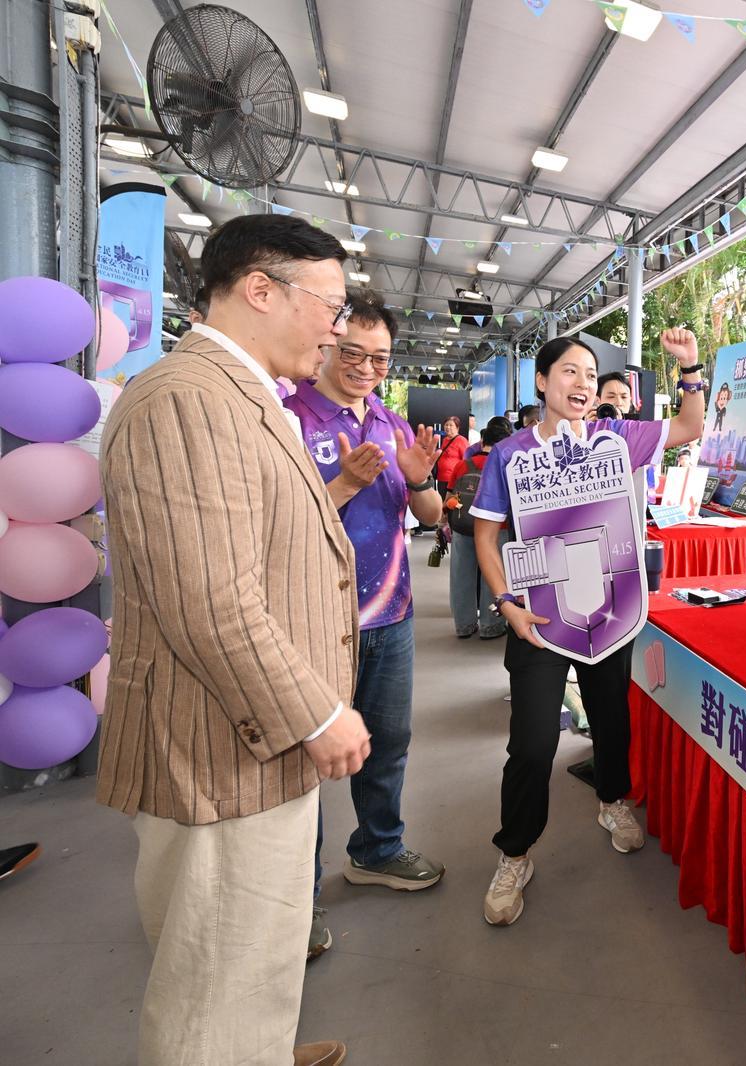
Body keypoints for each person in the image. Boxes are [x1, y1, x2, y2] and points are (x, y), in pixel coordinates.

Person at [98, 213, 367, 1066]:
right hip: (218, 749)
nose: (336, 326)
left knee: (253, 950)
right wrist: (318, 712)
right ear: (260, 289)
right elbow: (210, 601)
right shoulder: (187, 399)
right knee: (213, 974)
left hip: (248, 741)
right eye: (328, 303)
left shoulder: (241, 395)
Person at [470, 330, 706, 926]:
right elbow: (484, 534)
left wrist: (691, 369)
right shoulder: (511, 454)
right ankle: (515, 852)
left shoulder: (617, 438)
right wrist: (506, 603)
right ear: (543, 383)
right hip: (540, 620)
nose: (580, 383)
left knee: (612, 722)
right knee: (531, 744)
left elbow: (689, 428)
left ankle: (611, 801)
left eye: (588, 373)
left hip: (607, 613)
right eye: (568, 372)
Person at [283, 289, 448, 959]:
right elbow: (280, 528)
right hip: (315, 623)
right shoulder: (289, 416)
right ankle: (298, 899)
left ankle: (376, 849)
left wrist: (417, 480)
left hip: (393, 614)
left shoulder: (389, 419)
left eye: (379, 357)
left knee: (390, 741)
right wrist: (346, 483)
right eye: (352, 352)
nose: (365, 367)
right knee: (306, 761)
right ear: (326, 343)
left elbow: (434, 519)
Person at [448, 416, 515, 638]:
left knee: (461, 576)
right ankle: (491, 625)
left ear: (483, 439)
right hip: (498, 528)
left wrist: (443, 524)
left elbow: (449, 498)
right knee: (493, 575)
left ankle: (464, 625)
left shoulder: (462, 465)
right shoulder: (507, 466)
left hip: (463, 526)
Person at [435, 415, 469, 490]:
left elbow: (466, 461)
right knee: (442, 500)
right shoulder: (445, 440)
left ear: (457, 427)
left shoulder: (462, 440)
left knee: (451, 501)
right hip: (441, 478)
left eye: (451, 425)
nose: (448, 427)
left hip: (454, 479)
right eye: (446, 425)